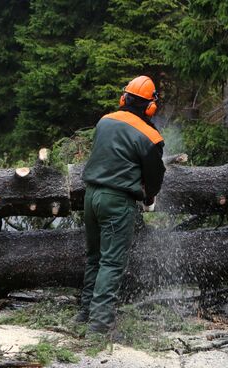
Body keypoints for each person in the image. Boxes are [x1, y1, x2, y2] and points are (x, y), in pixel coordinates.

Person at [74, 75, 166, 336]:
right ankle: (99, 328)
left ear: (123, 98)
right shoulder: (150, 136)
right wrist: (149, 197)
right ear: (150, 106)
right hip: (117, 201)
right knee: (111, 263)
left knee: (94, 258)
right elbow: (155, 176)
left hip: (91, 197)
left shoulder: (105, 121)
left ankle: (84, 315)